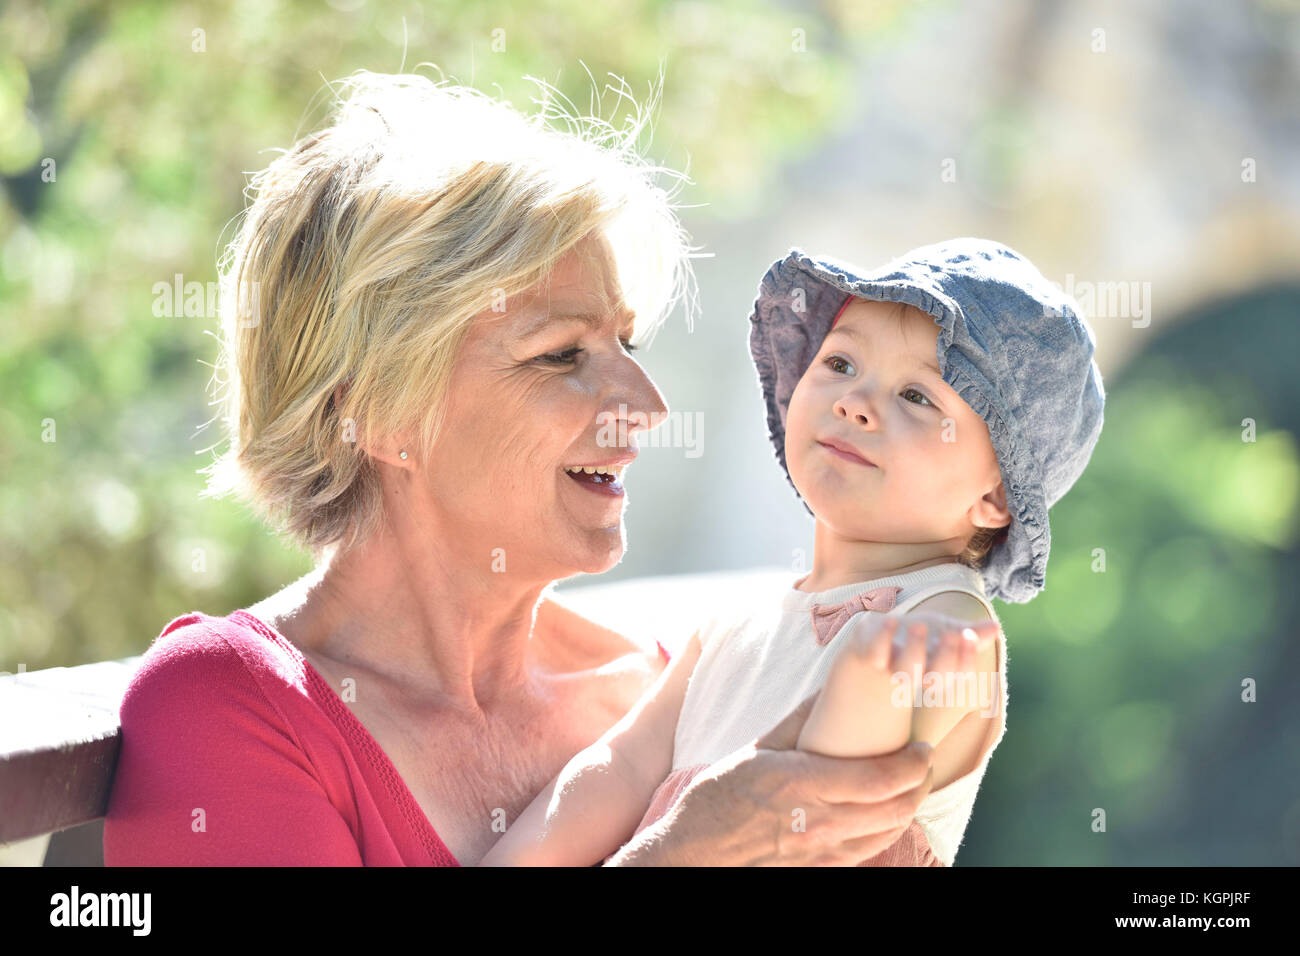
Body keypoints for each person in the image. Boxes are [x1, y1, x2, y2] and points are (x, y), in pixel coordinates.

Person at [102, 71, 957, 866]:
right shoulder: (229, 711)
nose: (647, 405)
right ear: (379, 412)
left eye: (627, 342)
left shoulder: (661, 697)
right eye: (560, 355)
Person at [479, 238, 1106, 866]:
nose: (854, 402)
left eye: (917, 397)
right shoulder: (736, 620)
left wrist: (868, 680)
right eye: (840, 363)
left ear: (995, 497)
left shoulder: (946, 623)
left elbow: (817, 810)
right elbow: (621, 763)